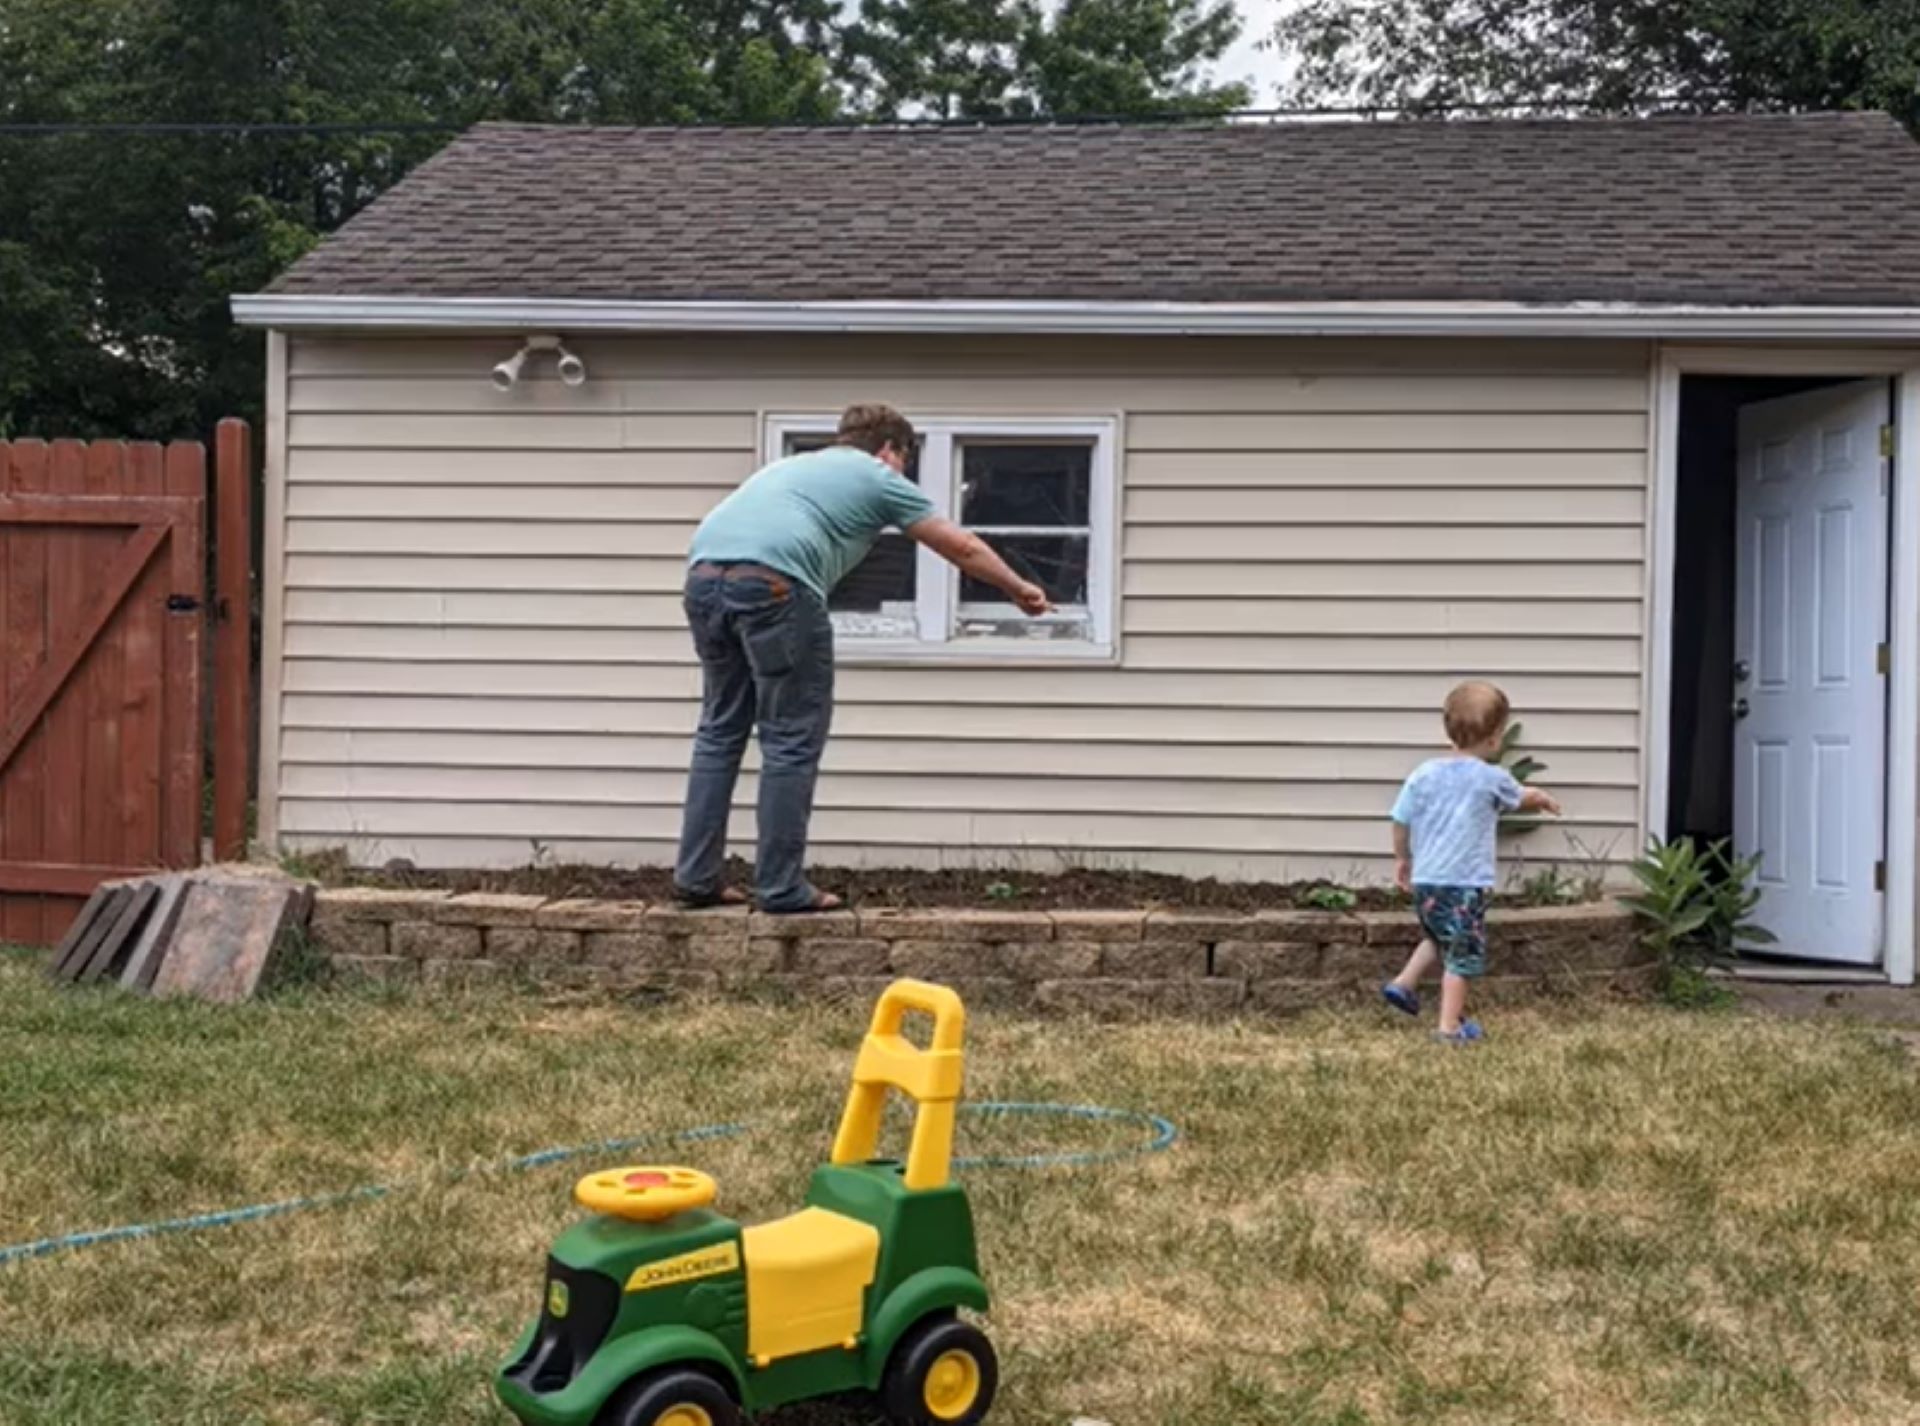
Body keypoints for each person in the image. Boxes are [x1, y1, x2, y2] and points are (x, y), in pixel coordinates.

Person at [674, 403, 1052, 914]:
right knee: (789, 739)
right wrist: (1018, 588)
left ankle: (696, 879)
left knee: (719, 731)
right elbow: (959, 547)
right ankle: (781, 888)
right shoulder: (877, 474)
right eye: (905, 460)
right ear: (890, 449)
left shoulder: (791, 467)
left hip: (704, 582)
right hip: (774, 587)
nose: (904, 472)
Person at [1381, 681, 1563, 1043]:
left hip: (1428, 880)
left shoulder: (1423, 774)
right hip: (1465, 884)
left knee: (1437, 934)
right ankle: (1449, 1028)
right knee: (1460, 958)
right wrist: (1540, 797)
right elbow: (1520, 796)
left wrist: (1403, 858)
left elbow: (1400, 819)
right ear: (1496, 739)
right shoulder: (1491, 778)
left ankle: (1404, 983)